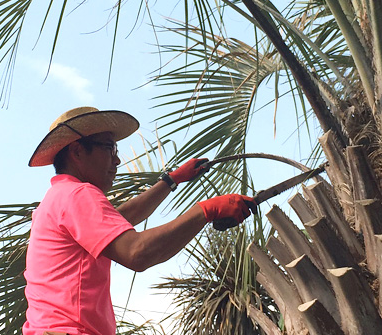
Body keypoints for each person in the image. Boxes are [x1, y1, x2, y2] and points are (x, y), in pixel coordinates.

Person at [22, 106, 257, 335]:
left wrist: (172, 180)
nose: (117, 161)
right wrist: (206, 210)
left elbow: (121, 219)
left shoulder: (58, 197)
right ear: (77, 152)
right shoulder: (77, 195)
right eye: (109, 148)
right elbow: (137, 252)